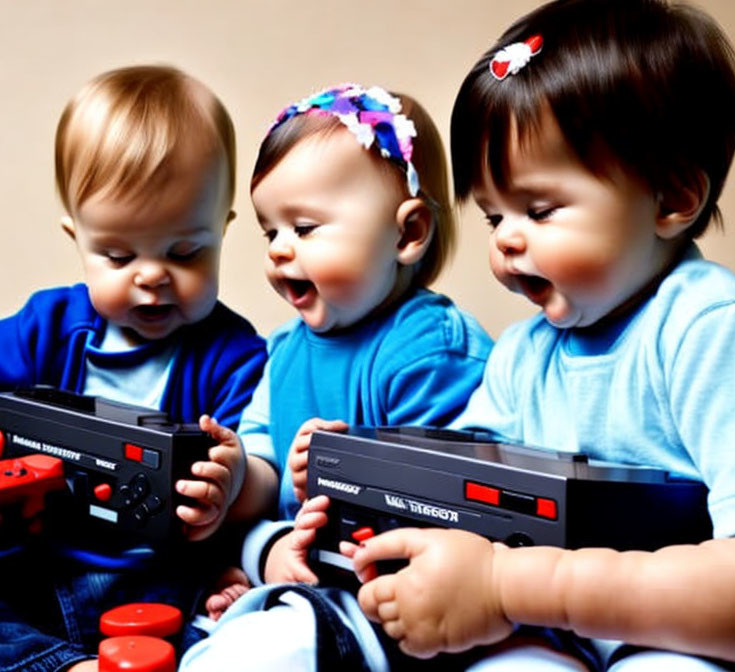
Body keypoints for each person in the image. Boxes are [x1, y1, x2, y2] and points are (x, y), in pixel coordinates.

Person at [345, 1, 735, 670]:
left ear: (673, 198)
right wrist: (361, 485)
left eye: (537, 208)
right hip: (575, 633)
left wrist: (510, 584)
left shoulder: (709, 333)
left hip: (734, 650)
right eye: (494, 212)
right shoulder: (525, 355)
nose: (505, 238)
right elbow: (469, 503)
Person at [177, 83, 492, 670]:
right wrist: (236, 475)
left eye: (305, 227)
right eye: (271, 232)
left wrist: (339, 477)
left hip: (398, 601)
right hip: (313, 575)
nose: (278, 250)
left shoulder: (426, 348)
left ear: (407, 234)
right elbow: (267, 465)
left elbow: (454, 501)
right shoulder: (287, 350)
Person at [0, 65, 267, 672]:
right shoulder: (48, 326)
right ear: (77, 238)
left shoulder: (232, 355)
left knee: (235, 611)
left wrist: (230, 483)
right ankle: (64, 664)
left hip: (159, 576)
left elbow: (250, 458)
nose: (151, 276)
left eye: (185, 252)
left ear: (223, 231)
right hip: (40, 563)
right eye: (118, 255)